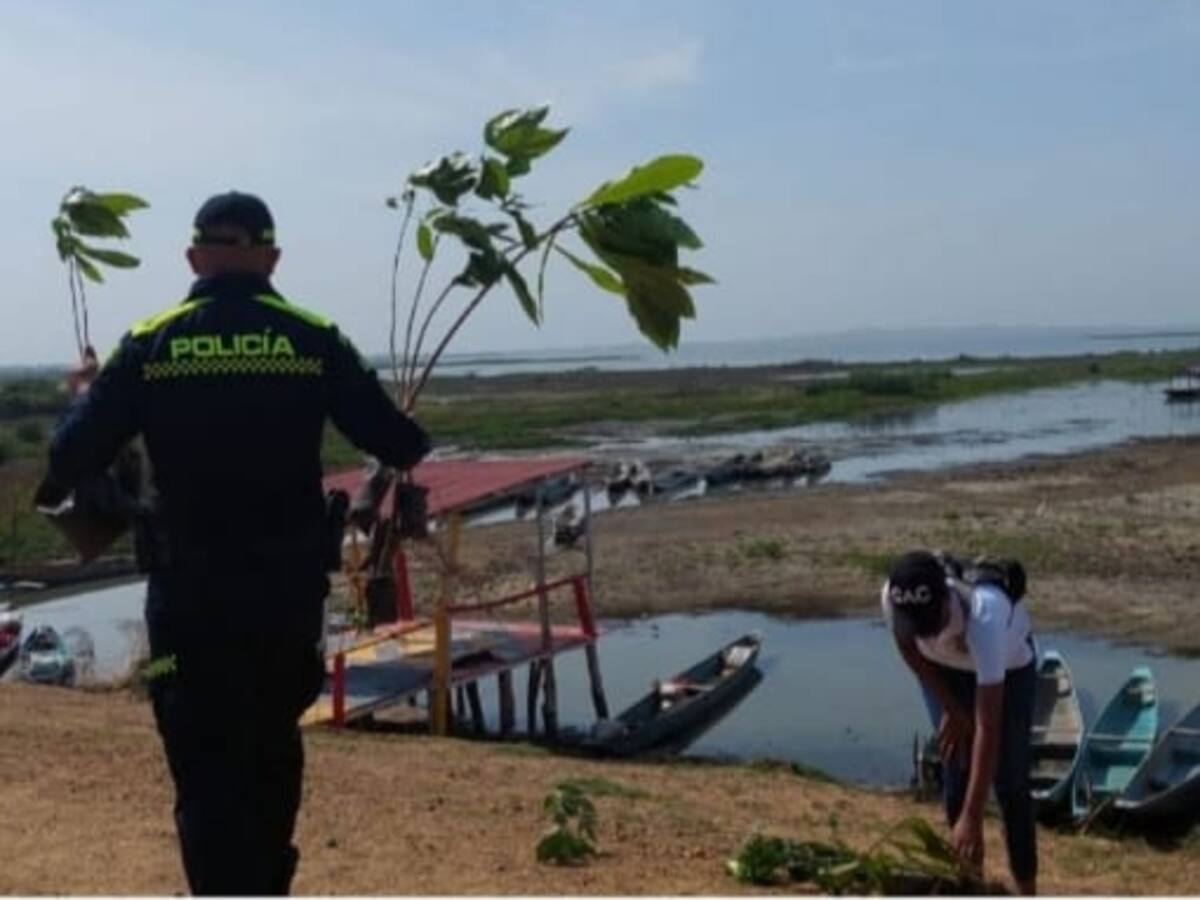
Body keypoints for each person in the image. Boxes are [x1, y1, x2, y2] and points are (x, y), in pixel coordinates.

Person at [36, 191, 430, 895]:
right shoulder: (313, 336)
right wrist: (397, 416)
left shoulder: (153, 339)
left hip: (188, 598)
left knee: (204, 772)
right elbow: (401, 444)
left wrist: (84, 393)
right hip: (284, 598)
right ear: (271, 257)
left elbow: (68, 457)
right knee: (271, 751)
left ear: (193, 257)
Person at [881, 550, 1038, 895]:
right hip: (943, 673)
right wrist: (951, 707)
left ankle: (1027, 888)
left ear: (946, 601)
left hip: (1009, 673)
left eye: (930, 624)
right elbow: (907, 647)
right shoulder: (894, 597)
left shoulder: (985, 616)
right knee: (956, 770)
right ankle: (972, 884)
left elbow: (988, 725)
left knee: (1011, 785)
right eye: (917, 626)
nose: (926, 633)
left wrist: (974, 815)